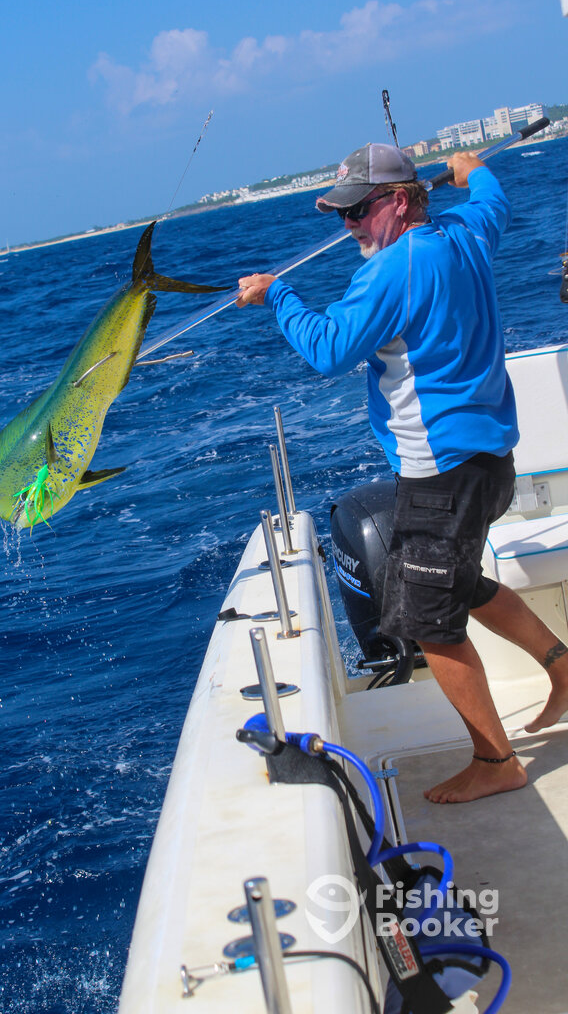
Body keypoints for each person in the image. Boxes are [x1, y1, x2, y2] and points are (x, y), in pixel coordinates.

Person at [236, 142, 568, 804]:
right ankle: (563, 666)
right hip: (490, 459)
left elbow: (329, 348)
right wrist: (468, 167)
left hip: (439, 471)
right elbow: (489, 192)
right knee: (460, 582)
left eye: (358, 210)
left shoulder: (392, 271)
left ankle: (496, 759)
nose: (350, 225)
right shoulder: (469, 231)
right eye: (340, 214)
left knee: (429, 622)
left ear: (395, 201)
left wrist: (279, 295)